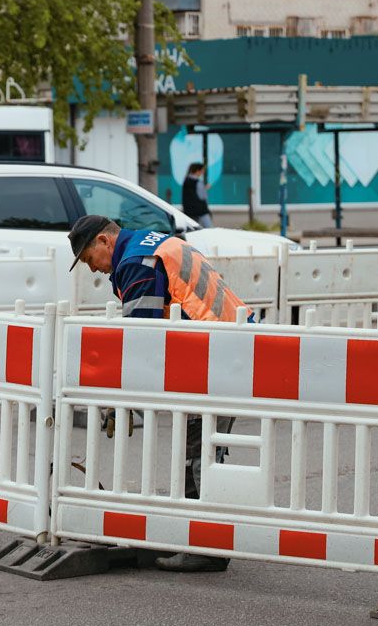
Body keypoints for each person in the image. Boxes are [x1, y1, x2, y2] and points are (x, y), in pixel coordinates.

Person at [68, 214, 249, 573]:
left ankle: (208, 548)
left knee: (198, 448)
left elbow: (142, 339)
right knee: (201, 446)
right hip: (226, 345)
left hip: (213, 353)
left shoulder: (136, 263)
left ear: (104, 242)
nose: (93, 270)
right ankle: (200, 535)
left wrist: (122, 402)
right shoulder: (150, 243)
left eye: (90, 259)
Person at [181, 162, 213, 228]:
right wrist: (204, 189)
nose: (203, 172)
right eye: (202, 170)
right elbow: (202, 196)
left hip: (189, 211)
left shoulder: (186, 180)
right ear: (198, 171)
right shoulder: (198, 182)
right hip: (201, 210)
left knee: (192, 230)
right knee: (209, 229)